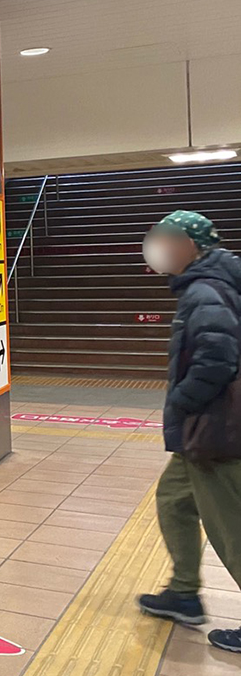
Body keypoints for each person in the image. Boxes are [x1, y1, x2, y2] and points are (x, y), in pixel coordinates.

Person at [136, 211, 241, 653]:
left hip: (215, 432)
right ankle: (183, 592)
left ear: (190, 246)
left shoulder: (203, 291)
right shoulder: (212, 283)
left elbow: (218, 359)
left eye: (165, 239)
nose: (156, 248)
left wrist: (180, 403)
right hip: (205, 432)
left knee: (230, 526)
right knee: (174, 501)